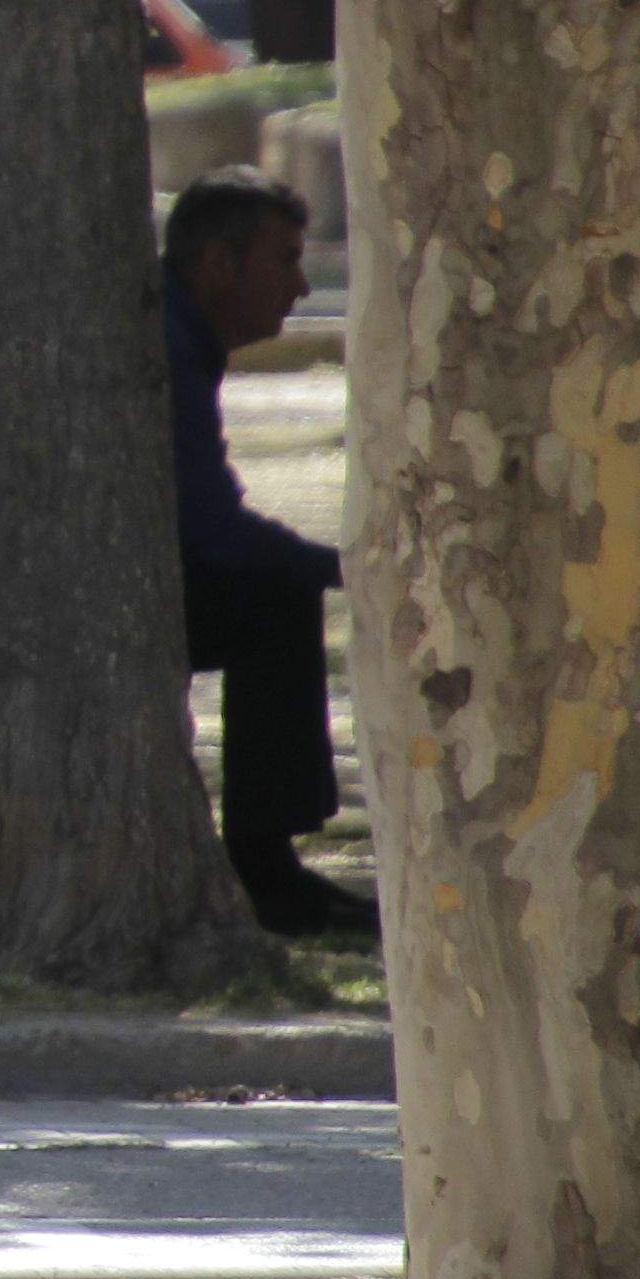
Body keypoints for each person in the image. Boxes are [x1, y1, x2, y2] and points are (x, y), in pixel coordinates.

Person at [164, 164, 376, 939]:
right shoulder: (168, 343)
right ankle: (266, 871)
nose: (299, 286)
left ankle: (271, 863)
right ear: (219, 263)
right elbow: (211, 532)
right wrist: (349, 573)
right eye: (284, 260)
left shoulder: (182, 337)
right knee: (274, 600)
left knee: (275, 589)